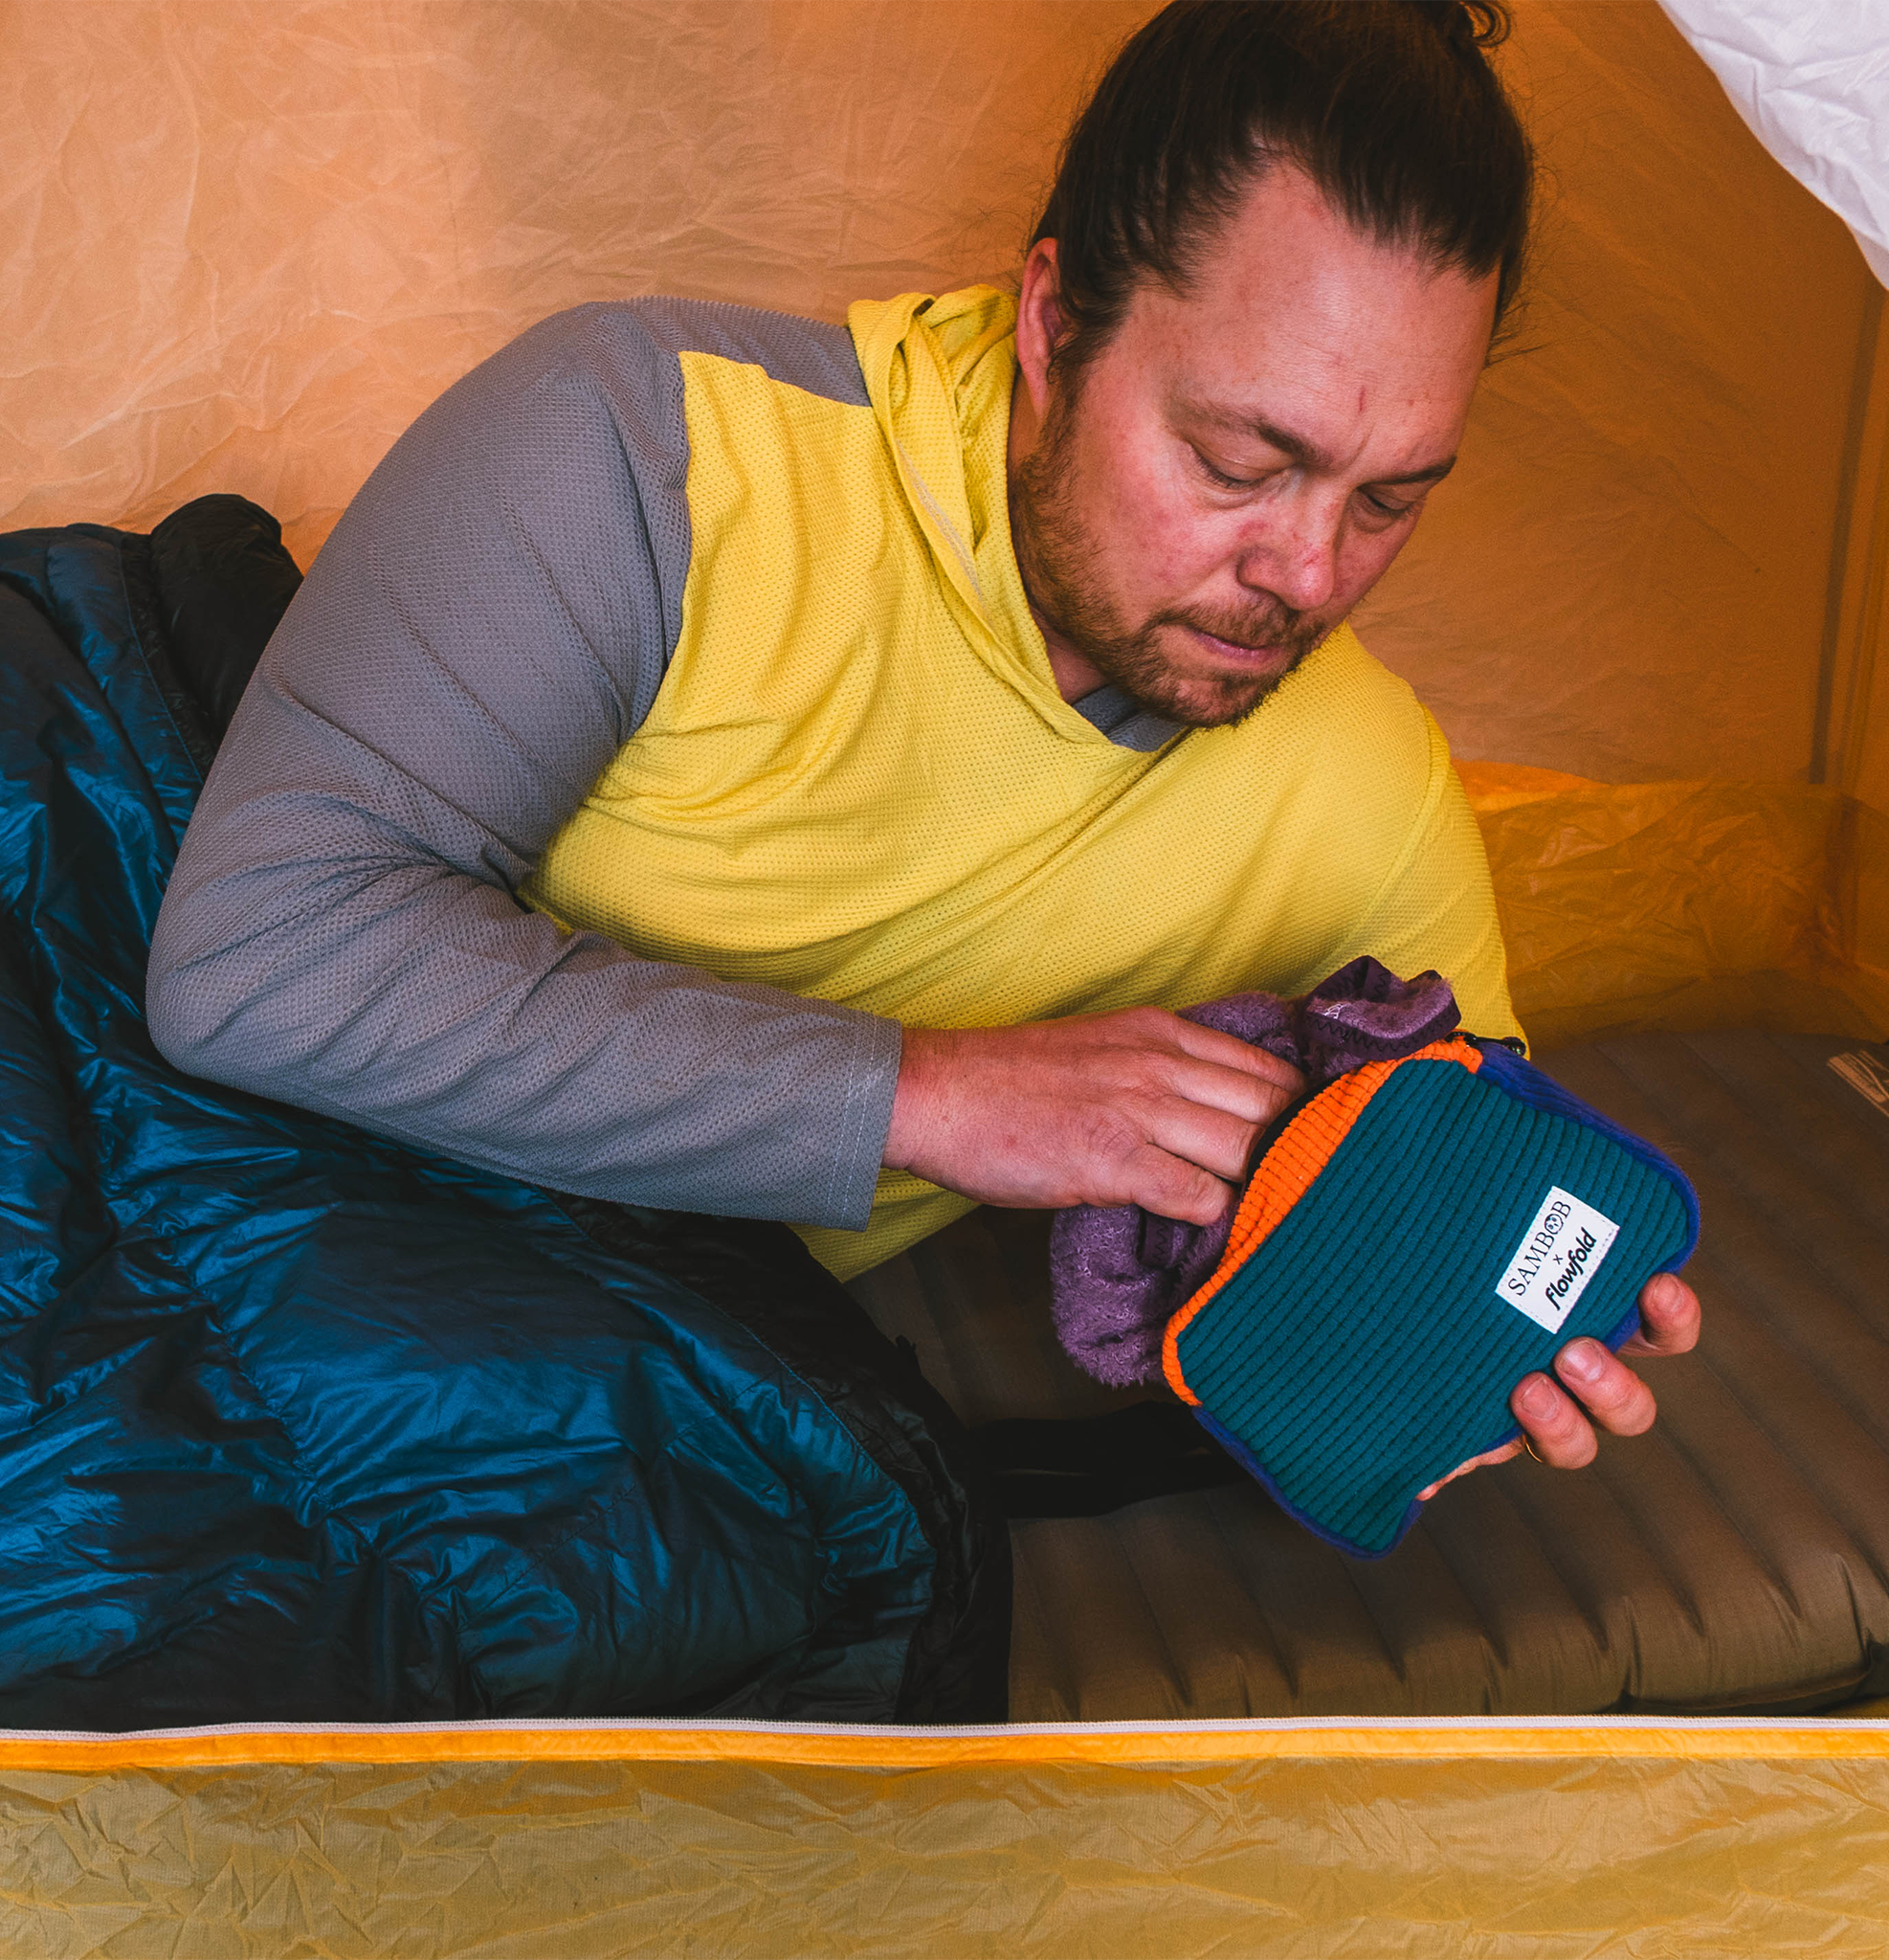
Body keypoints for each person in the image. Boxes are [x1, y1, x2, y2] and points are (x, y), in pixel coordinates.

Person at [145, 0, 1699, 1495]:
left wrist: (1452, 1376)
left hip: (612, 1396)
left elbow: (1465, 1232)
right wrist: (934, 1097)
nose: (1305, 571)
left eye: (1389, 500)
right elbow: (262, 956)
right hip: (219, 1223)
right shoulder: (651, 452)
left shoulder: (1370, 796)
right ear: (1050, 319)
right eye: (1240, 460)